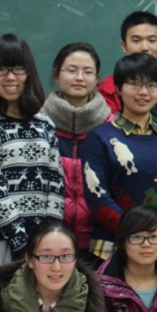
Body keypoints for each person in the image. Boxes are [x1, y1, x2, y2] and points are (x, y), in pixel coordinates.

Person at [0, 34, 64, 283]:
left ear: (28, 73)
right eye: (1, 69)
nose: (10, 77)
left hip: (42, 245)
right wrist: (21, 241)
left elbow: (56, 184)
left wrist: (48, 238)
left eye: (18, 69)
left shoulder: (44, 122)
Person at [82, 53, 157, 264]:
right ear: (119, 88)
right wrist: (139, 238)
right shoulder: (100, 137)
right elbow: (97, 196)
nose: (143, 92)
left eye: (151, 85)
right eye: (134, 84)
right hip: (112, 248)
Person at [42, 42, 112, 256]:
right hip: (48, 237)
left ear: (97, 78)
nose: (79, 78)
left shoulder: (111, 126)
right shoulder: (39, 124)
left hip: (99, 239)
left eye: (88, 72)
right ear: (56, 75)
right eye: (71, 70)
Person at [99, 11, 157, 112]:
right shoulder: (108, 92)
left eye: (151, 40)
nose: (144, 48)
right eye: (136, 41)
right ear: (124, 46)